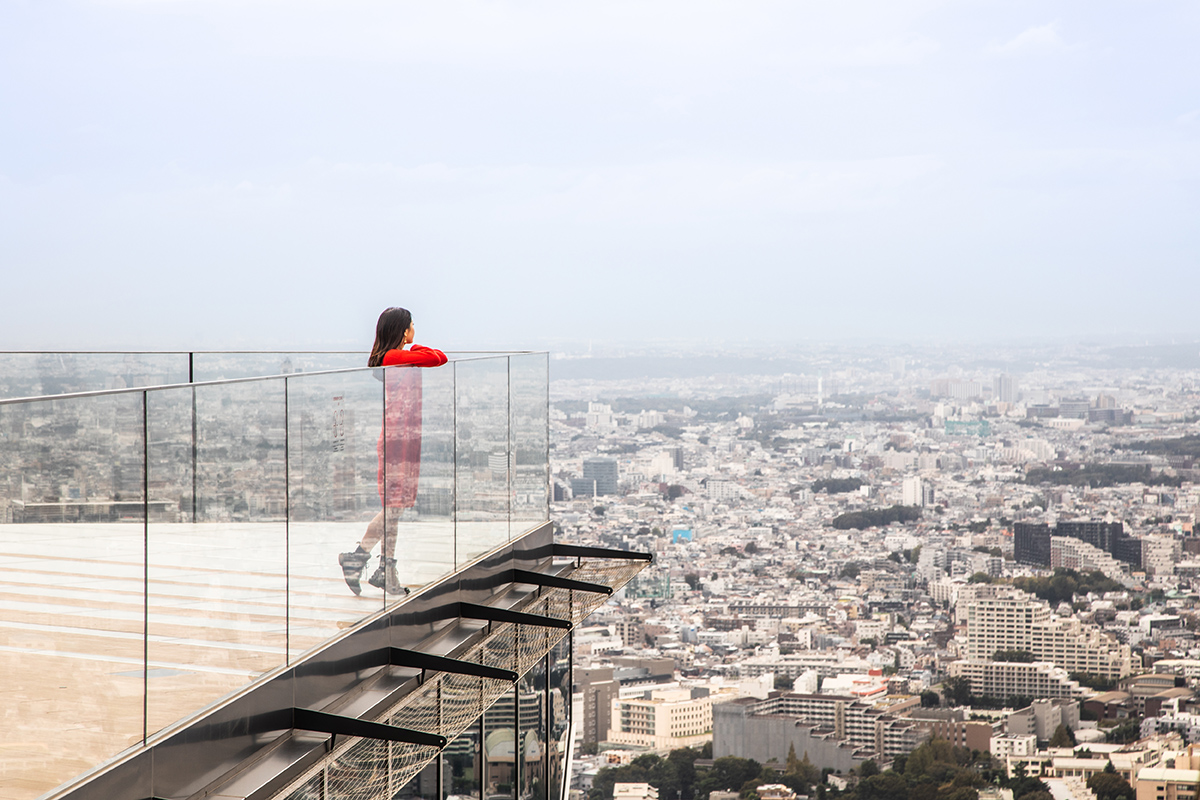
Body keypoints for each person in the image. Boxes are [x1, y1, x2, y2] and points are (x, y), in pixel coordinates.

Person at [339, 307, 447, 595]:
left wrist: (413, 347)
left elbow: (434, 357)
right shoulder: (392, 358)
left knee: (395, 511)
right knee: (392, 509)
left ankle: (385, 569)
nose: (415, 331)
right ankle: (359, 557)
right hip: (397, 442)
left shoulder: (397, 358)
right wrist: (416, 347)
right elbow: (437, 357)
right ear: (402, 331)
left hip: (405, 440)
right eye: (412, 326)